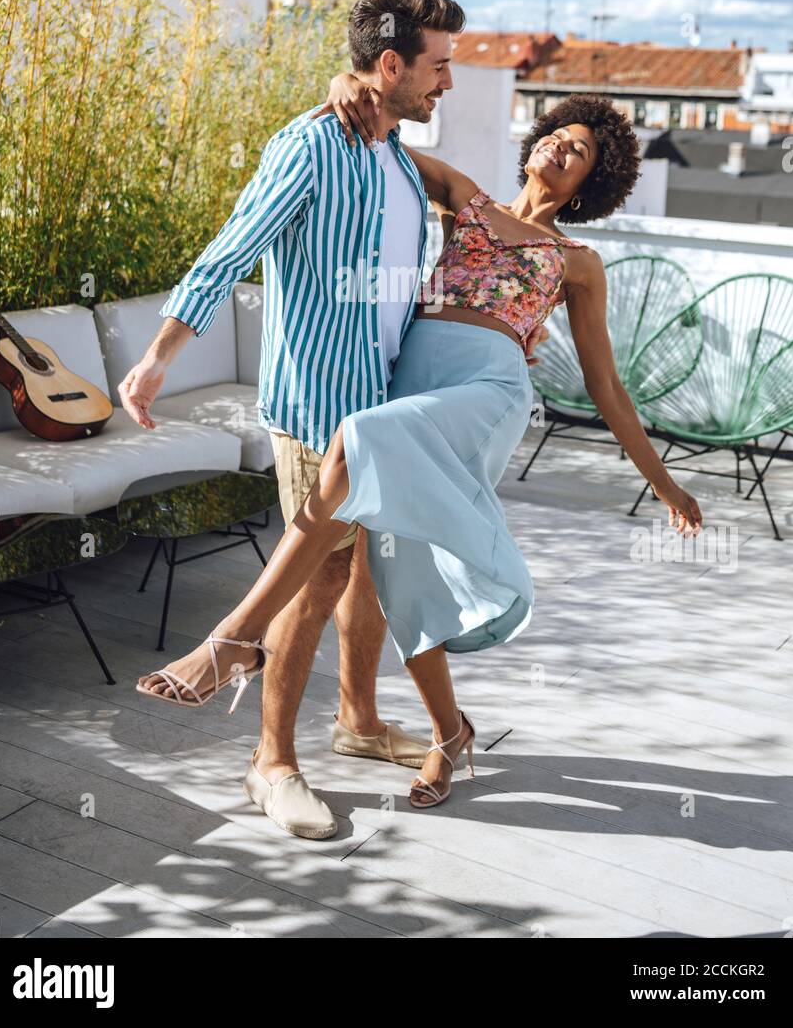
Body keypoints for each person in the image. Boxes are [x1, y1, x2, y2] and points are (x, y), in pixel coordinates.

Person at [133, 79, 703, 816]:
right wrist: (339, 86)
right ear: (535, 142)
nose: (564, 147)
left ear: (593, 182)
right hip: (409, 384)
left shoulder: (576, 260)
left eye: (583, 152)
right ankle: (446, 732)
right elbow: (381, 131)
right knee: (399, 576)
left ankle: (234, 639)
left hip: (482, 398)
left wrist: (663, 483)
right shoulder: (466, 200)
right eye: (560, 134)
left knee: (354, 441)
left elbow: (607, 390)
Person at [120, 0, 467, 840]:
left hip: (382, 407)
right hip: (319, 407)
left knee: (365, 572)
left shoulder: (390, 153)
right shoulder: (312, 146)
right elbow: (230, 249)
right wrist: (156, 359)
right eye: (438, 67)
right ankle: (270, 764)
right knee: (316, 584)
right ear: (389, 64)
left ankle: (354, 722)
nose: (447, 85)